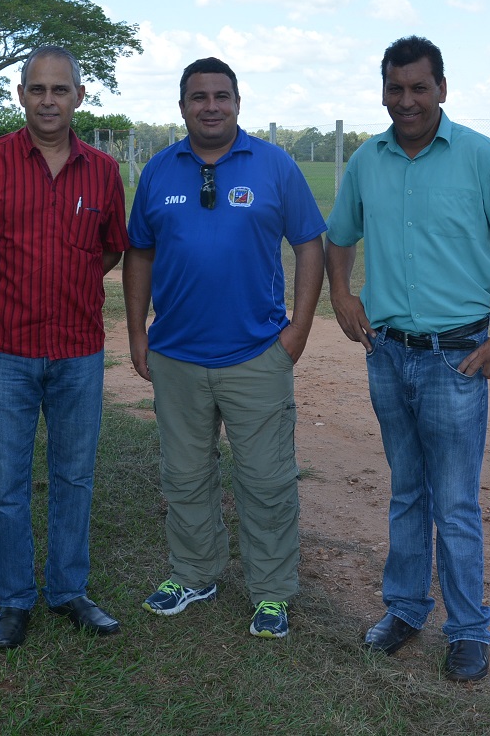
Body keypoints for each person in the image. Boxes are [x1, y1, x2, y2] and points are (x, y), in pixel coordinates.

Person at [325, 35, 490, 683]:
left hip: (457, 362)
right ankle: (403, 610)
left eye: (419, 88)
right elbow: (338, 236)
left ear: (443, 90)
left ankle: (467, 630)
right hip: (388, 355)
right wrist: (341, 294)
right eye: (395, 88)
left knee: (454, 503)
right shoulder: (368, 161)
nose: (407, 101)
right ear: (383, 91)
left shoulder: (482, 159)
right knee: (406, 491)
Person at [123, 56, 326, 640]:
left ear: (239, 102)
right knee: (184, 475)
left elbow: (310, 243)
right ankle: (194, 573)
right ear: (181, 106)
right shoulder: (159, 171)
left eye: (221, 96)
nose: (210, 106)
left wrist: (299, 329)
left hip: (256, 354)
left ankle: (270, 592)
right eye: (198, 97)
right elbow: (139, 252)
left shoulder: (274, 165)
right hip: (178, 356)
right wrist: (139, 334)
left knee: (265, 480)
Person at [0, 45, 129, 649]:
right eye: (37, 89)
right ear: (21, 95)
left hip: (78, 350)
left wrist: (61, 286)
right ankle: (14, 598)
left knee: (74, 476)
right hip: (6, 351)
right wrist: (7, 292)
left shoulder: (102, 171)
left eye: (60, 90)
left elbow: (108, 251)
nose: (48, 101)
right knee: (5, 480)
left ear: (79, 97)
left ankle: (69, 590)